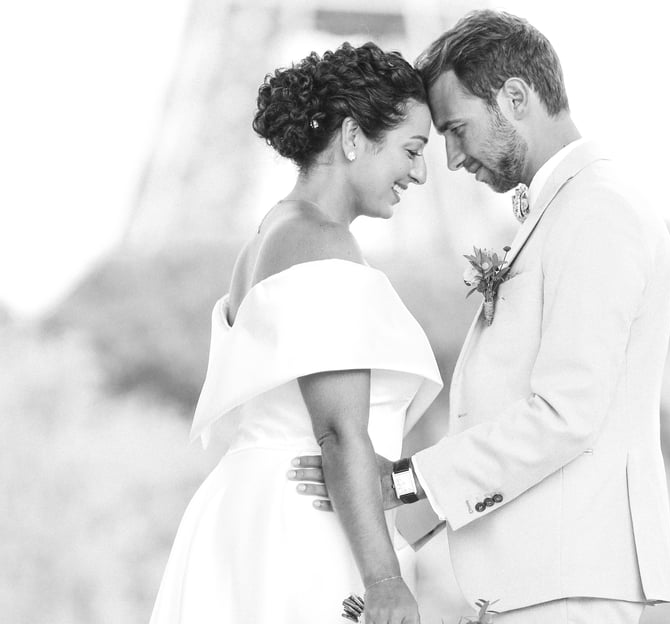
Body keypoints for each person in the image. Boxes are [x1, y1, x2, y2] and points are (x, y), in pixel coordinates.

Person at [290, 11, 670, 623]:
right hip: (540, 576)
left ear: (516, 98)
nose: (448, 158)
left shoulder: (598, 211)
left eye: (456, 129)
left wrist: (403, 483)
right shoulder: (563, 211)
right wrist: (392, 503)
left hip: (566, 581)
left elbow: (566, 414)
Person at [149, 42, 442, 624]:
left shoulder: (271, 235)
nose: (421, 171)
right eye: (411, 149)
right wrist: (384, 580)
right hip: (304, 530)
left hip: (263, 517)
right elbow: (338, 430)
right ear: (354, 137)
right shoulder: (319, 240)